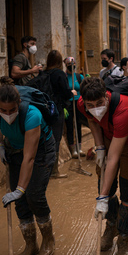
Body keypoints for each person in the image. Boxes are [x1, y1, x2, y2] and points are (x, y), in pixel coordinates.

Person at [0, 77, 56, 255]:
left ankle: (48, 240)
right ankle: (31, 245)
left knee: (33, 194)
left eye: (12, 110)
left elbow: (29, 157)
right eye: (3, 110)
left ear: (19, 103)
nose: (7, 114)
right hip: (13, 149)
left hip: (40, 150)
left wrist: (20, 189)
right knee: (20, 202)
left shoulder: (32, 114)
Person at [77, 77, 128, 255]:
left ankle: (124, 238)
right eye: (90, 104)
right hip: (107, 139)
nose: (95, 108)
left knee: (127, 191)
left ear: (106, 97)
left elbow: (114, 158)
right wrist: (99, 147)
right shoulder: (82, 104)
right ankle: (111, 226)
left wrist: (101, 197)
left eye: (100, 103)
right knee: (106, 185)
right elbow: (92, 120)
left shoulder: (124, 107)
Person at [44, 50, 75, 178]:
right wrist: (71, 92)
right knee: (56, 139)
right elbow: (65, 92)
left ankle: (46, 169)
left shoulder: (44, 73)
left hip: (45, 110)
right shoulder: (59, 74)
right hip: (56, 109)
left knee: (46, 138)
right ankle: (54, 171)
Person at [64, 56, 87, 158]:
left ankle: (79, 147)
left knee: (78, 124)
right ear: (65, 65)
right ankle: (72, 149)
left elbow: (84, 88)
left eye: (73, 64)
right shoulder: (63, 77)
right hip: (69, 104)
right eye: (69, 65)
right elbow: (62, 90)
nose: (71, 66)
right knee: (70, 126)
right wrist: (69, 93)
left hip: (79, 103)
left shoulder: (78, 77)